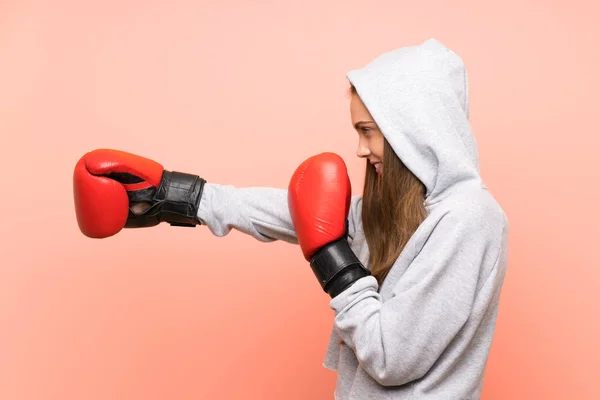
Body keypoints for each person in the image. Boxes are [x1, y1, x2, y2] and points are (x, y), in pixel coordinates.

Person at [73, 38, 509, 399]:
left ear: (413, 129)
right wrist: (181, 196)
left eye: (368, 131)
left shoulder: (469, 218)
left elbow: (391, 357)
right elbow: (294, 212)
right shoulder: (410, 212)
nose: (360, 149)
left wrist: (332, 261)